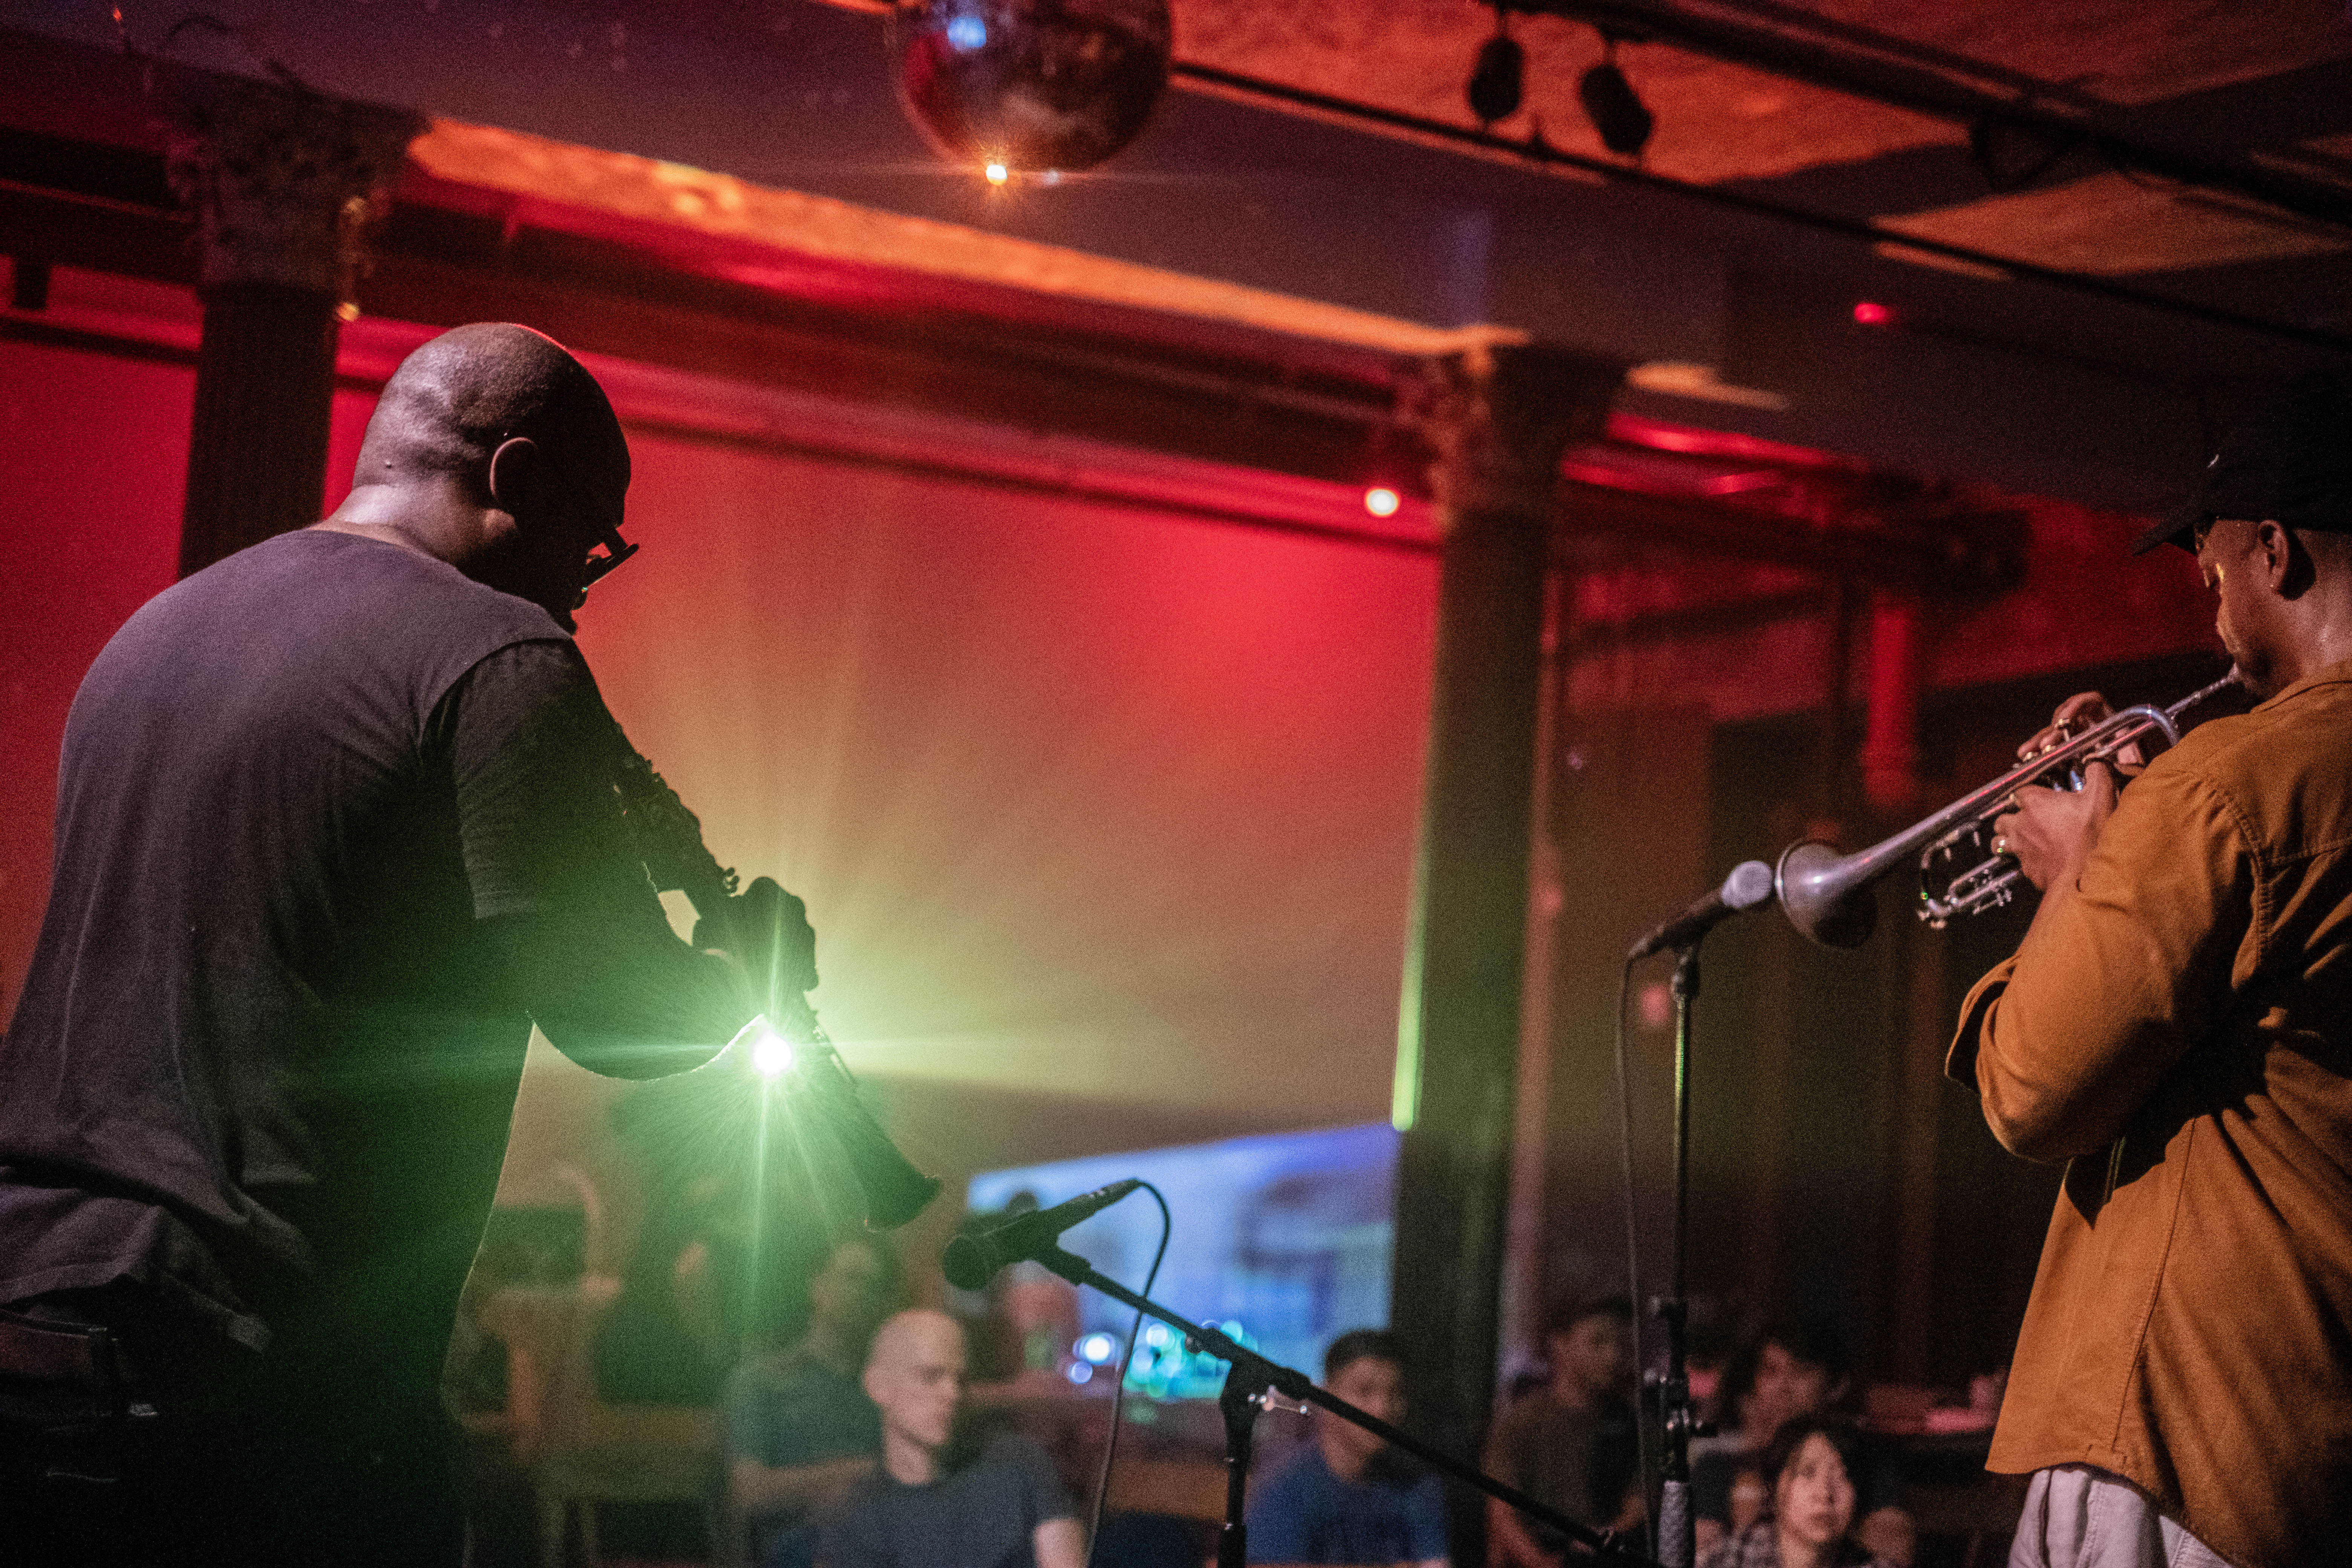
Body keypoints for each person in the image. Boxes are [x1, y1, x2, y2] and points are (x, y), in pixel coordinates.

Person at [0, 323, 792, 1566]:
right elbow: (617, 1015)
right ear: (517, 478)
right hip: (257, 1373)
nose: (584, 584)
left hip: (32, 1318)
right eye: (594, 543)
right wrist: (753, 978)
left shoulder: (150, 638)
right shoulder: (498, 651)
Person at [1956, 378, 2352, 1568]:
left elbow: (2031, 1091)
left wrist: (2080, 868)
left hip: (2182, 1428)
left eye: (2211, 570)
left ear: (2272, 551)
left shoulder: (2225, 782)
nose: (2211, 609)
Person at [819, 1308, 1081, 1568]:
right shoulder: (854, 1516)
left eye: (960, 1380)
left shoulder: (1018, 1463)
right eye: (930, 1376)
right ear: (878, 1386)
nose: (952, 1393)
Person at [725, 1234, 901, 1568]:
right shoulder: (762, 1378)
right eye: (851, 1278)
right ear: (817, 1285)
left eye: (873, 1285)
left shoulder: (892, 1384)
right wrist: (854, 1474)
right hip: (801, 1543)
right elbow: (747, 1491)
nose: (861, 1293)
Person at [1690, 1321, 1909, 1566]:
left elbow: (1893, 1550)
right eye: (1771, 1371)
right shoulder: (1718, 1467)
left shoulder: (1867, 1464)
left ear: (1833, 1385)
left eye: (1800, 1371)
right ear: (1753, 1385)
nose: (1784, 1386)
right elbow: (1700, 1554)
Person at [1245, 1328, 1447, 1568]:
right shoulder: (1287, 1490)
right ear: (1328, 1395)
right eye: (1364, 1391)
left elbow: (1436, 1562)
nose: (1382, 1408)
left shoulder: (1415, 1485)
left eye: (1395, 1393)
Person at [1486, 1298, 1642, 1567]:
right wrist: (1541, 1562)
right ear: (1559, 1344)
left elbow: (1637, 1507)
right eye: (1598, 1341)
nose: (1613, 1355)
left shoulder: (1634, 1425)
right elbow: (1501, 1513)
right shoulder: (1521, 1421)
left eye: (1619, 1344)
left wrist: (1597, 1543)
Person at [1695, 1417, 1896, 1568]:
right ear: (1774, 1487)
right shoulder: (1725, 1561)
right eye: (1808, 1473)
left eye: (1843, 1477)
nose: (1825, 1494)